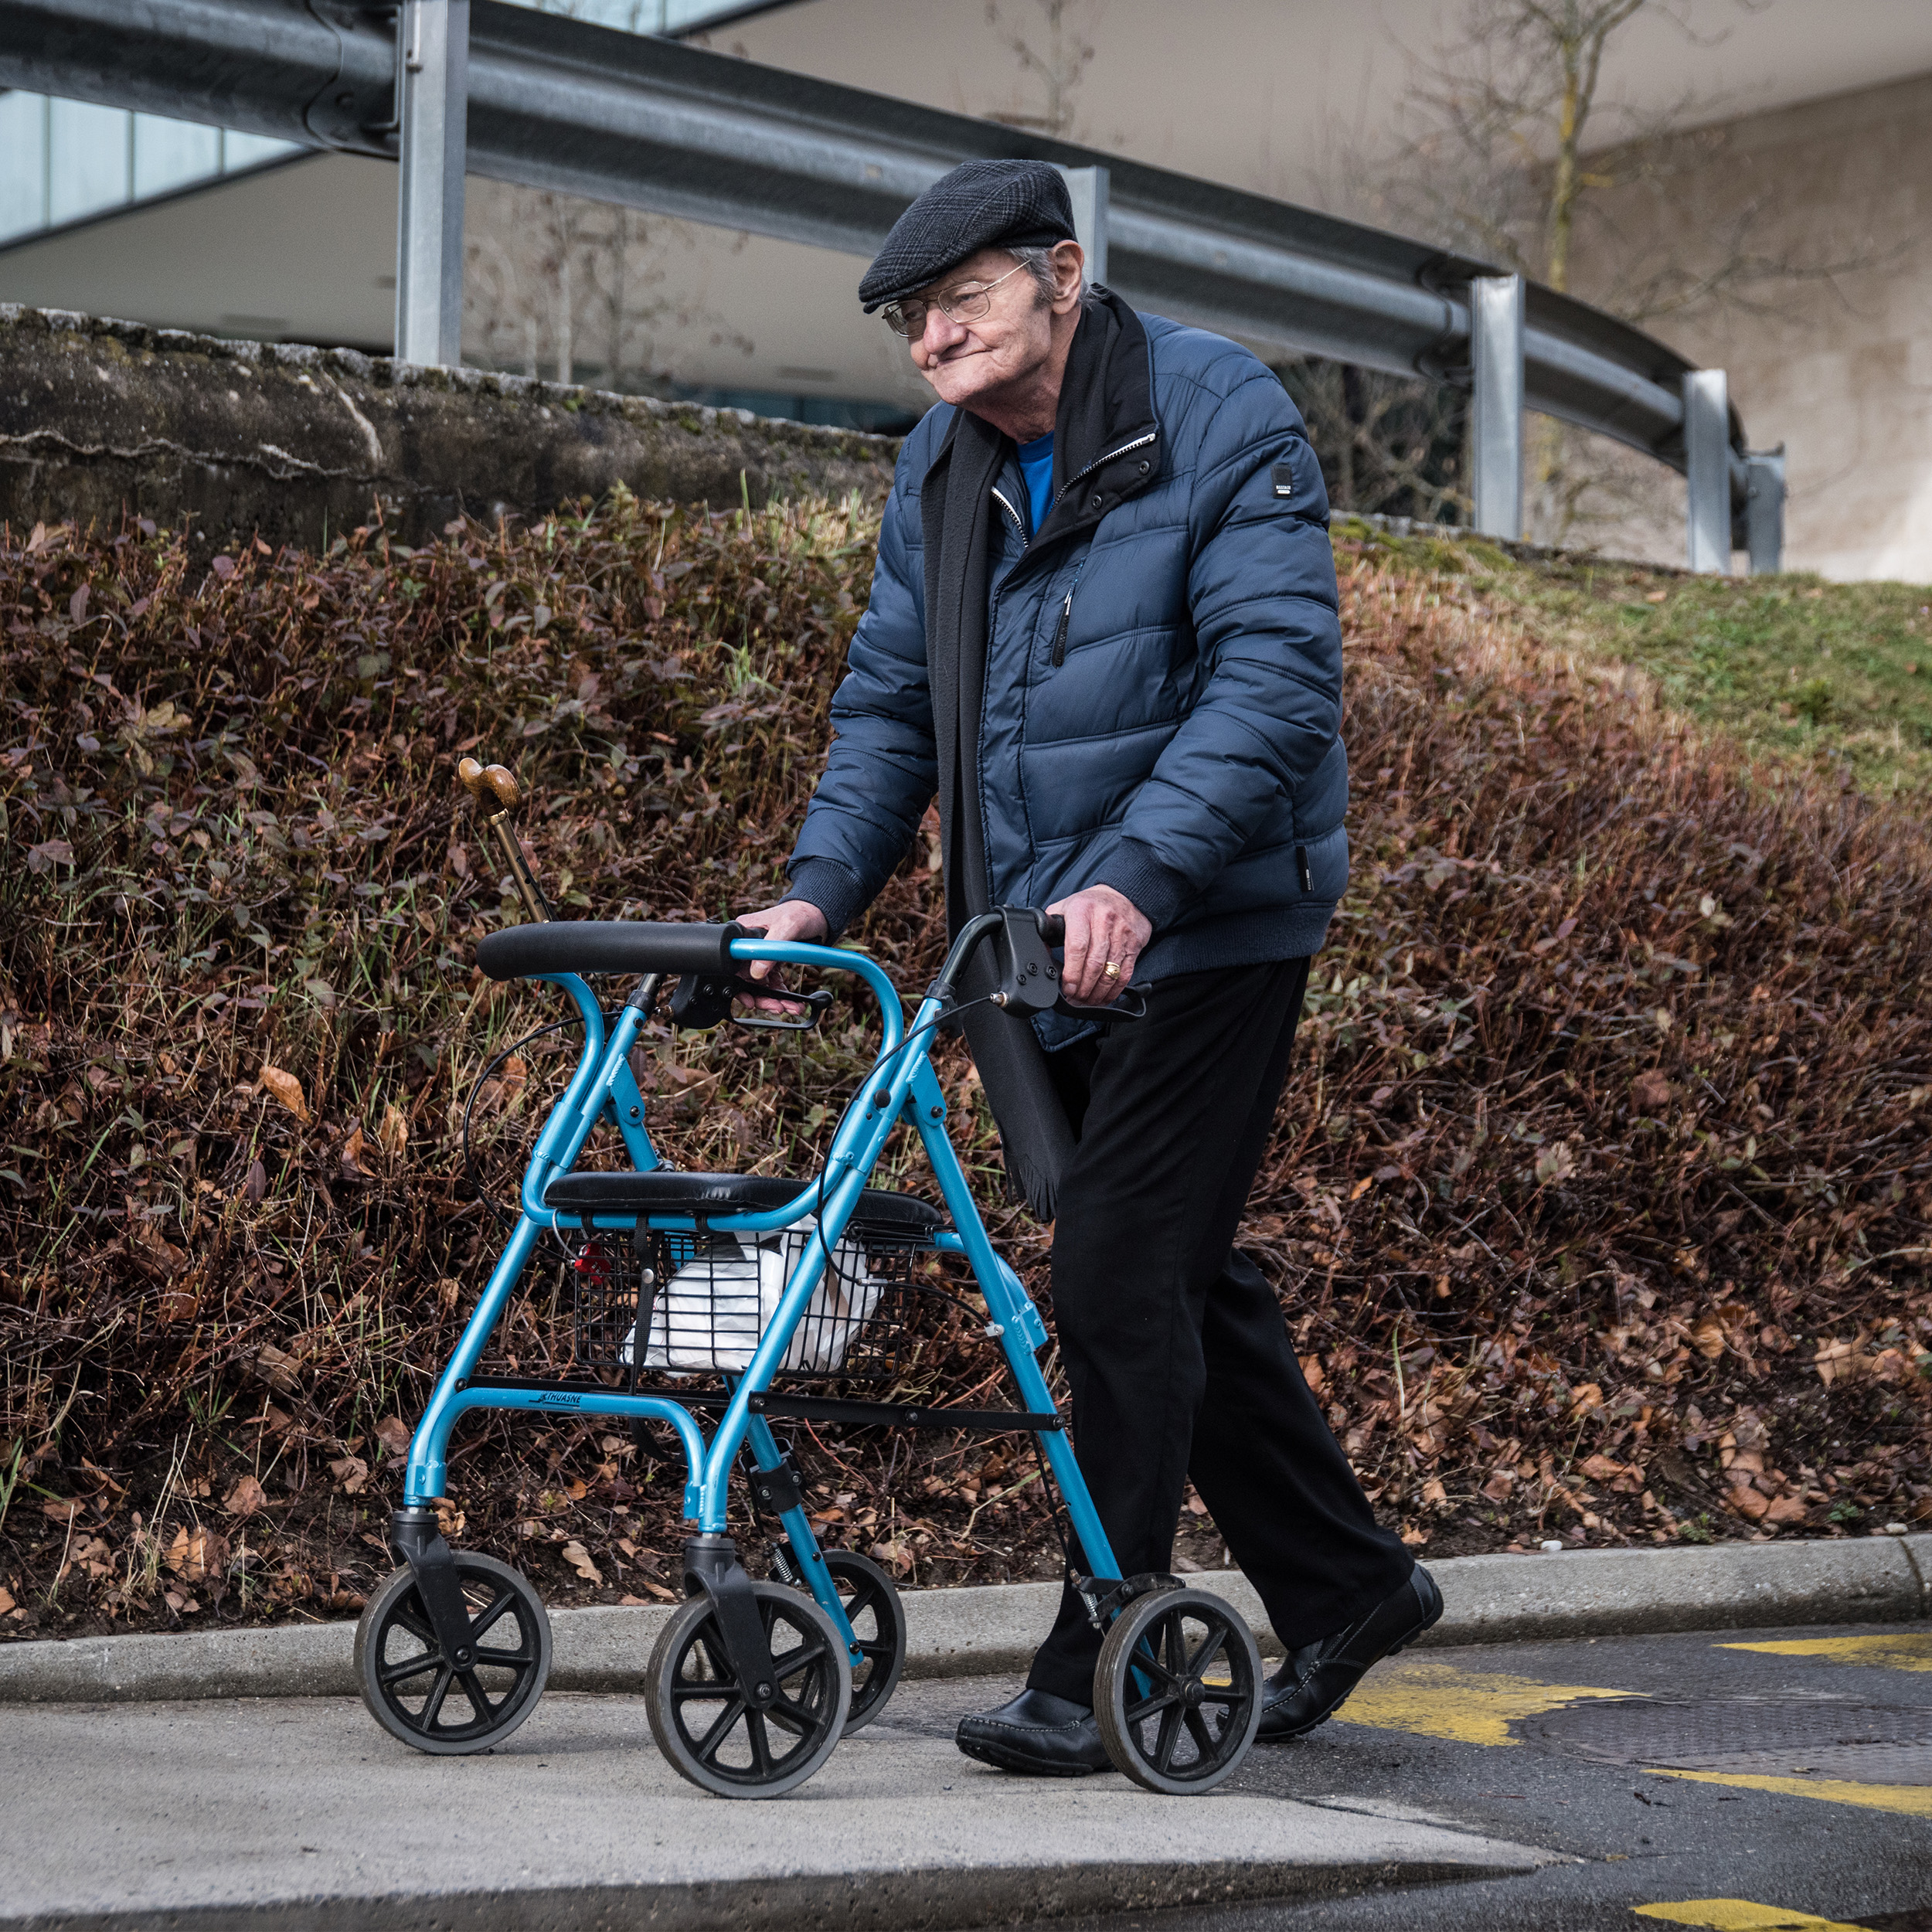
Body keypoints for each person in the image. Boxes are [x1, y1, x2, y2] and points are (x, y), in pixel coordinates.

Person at [738, 158, 1439, 1774]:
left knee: (1117, 1265)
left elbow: (1273, 683)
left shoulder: (1214, 410)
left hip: (1204, 924)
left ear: (1060, 272)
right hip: (1022, 939)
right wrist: (816, 896)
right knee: (1172, 1263)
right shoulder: (941, 466)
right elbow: (888, 710)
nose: (928, 340)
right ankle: (1343, 1588)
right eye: (911, 320)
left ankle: (1099, 1637)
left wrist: (1135, 873)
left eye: (957, 302)